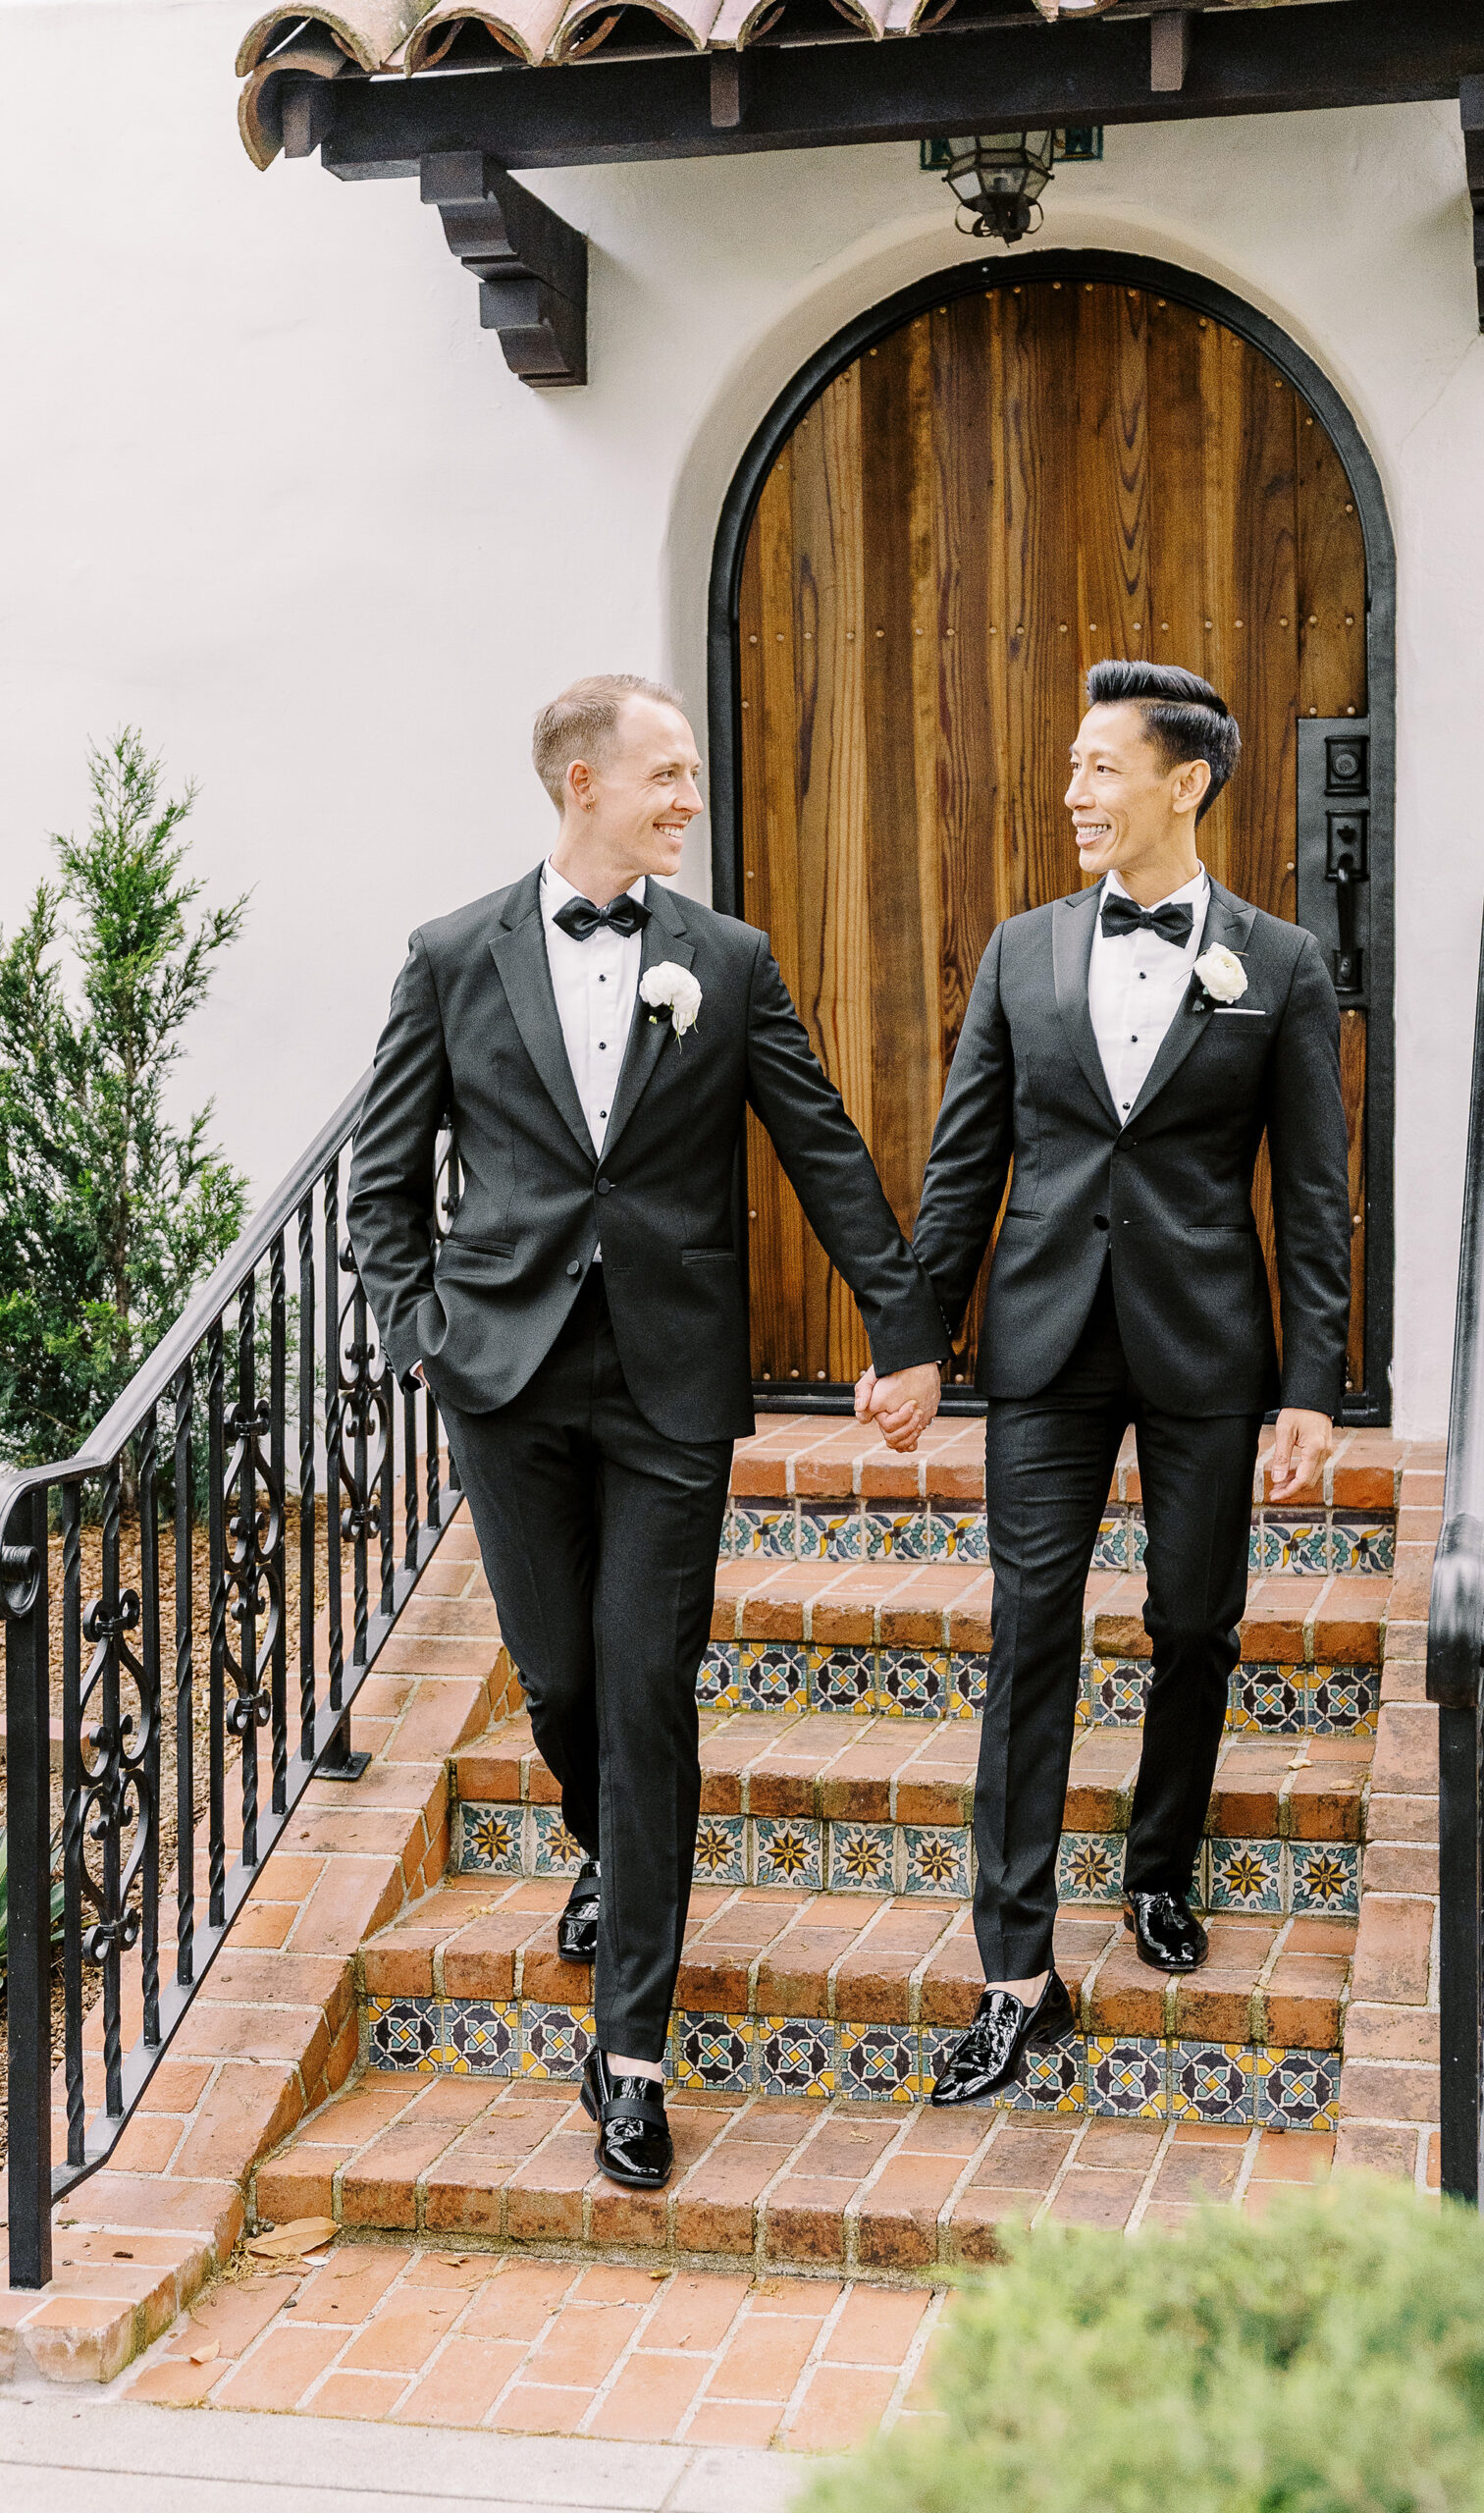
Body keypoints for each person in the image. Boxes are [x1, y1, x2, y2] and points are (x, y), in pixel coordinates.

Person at [347, 673, 946, 2186]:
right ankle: (613, 1855)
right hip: (508, 1379)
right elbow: (383, 1179)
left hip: (672, 1386)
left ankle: (628, 2059)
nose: (690, 796)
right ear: (581, 787)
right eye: (667, 775)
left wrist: (907, 1328)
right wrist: (425, 1334)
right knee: (559, 1685)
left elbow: (820, 1145)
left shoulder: (727, 963)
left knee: (646, 1688)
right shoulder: (451, 955)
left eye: (689, 775)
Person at [858, 658, 1351, 2107]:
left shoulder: (1282, 963)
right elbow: (963, 1169)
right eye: (1071, 769)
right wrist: (915, 1338)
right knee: (1030, 1634)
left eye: (1098, 767)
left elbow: (1314, 1194)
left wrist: (1312, 1384)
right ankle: (1015, 1968)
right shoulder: (1020, 953)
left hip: (1208, 1345)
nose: (1073, 792)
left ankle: (1162, 1866)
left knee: (1196, 1621)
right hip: (1045, 1342)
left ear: (1183, 782)